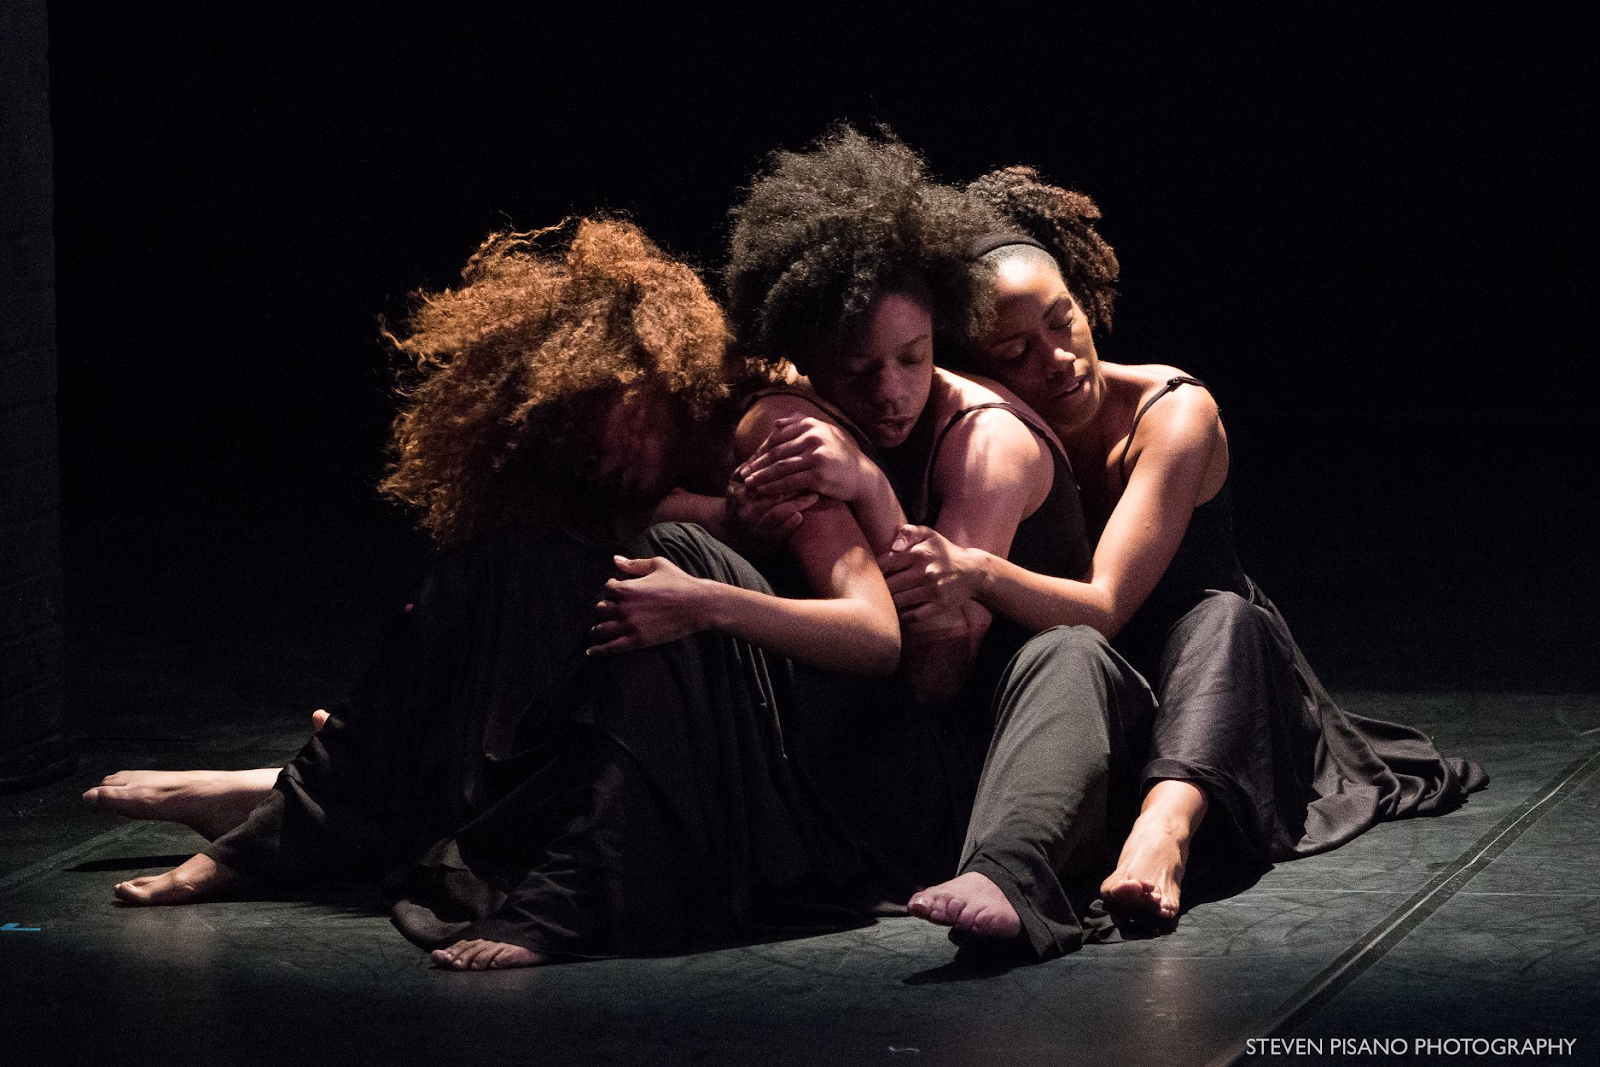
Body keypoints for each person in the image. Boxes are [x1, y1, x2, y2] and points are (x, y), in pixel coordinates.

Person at [101, 218, 908, 970]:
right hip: (704, 712)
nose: (598, 458)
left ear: (658, 377)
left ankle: (569, 896)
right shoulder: (641, 473)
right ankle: (277, 833)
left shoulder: (778, 436)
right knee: (498, 563)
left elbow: (875, 636)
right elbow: (629, 520)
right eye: (574, 437)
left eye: (608, 421)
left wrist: (708, 598)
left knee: (662, 565)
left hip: (810, 768)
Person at [867, 166, 1489, 925]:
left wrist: (974, 570)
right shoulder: (985, 438)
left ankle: (1161, 836)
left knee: (1227, 617)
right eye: (1016, 351)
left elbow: (1100, 607)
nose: (1058, 356)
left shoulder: (1173, 414)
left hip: (1218, 699)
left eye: (1064, 320)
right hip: (1098, 704)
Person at [721, 126, 1158, 959]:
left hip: (1013, 755)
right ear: (808, 359)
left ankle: (1009, 875)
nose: (888, 395)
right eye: (855, 371)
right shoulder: (799, 408)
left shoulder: (986, 445)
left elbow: (935, 672)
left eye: (913, 359)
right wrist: (740, 520)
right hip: (888, 757)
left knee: (1067, 654)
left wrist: (875, 491)